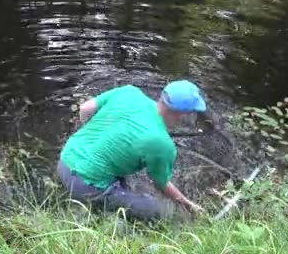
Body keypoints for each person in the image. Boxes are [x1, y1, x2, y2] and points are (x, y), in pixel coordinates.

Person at [57, 80, 209, 221]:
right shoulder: (161, 143)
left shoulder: (129, 92)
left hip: (64, 160)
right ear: (182, 114)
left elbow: (85, 108)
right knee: (163, 213)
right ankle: (102, 215)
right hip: (84, 185)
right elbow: (161, 184)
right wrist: (188, 205)